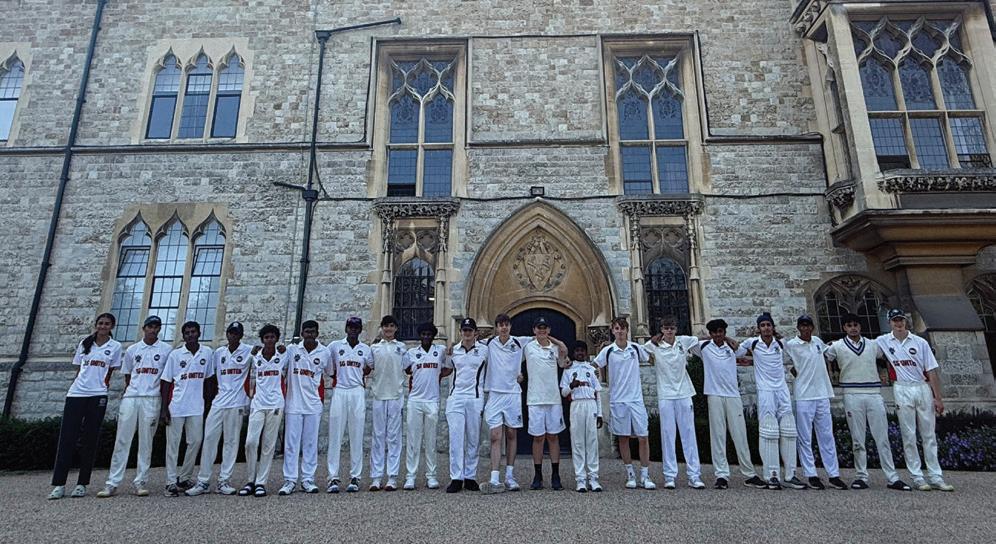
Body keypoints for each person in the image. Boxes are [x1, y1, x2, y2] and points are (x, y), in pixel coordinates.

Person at [824, 313, 910, 491]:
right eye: (849, 325)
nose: (853, 328)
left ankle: (892, 477)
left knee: (882, 437)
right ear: (844, 328)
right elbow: (821, 356)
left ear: (860, 326)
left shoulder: (873, 345)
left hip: (874, 393)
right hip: (851, 393)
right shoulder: (837, 346)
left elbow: (891, 352)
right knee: (857, 439)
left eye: (856, 325)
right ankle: (861, 476)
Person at [875, 309, 954, 492]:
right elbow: (863, 347)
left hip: (921, 386)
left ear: (905, 321)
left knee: (929, 434)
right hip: (902, 387)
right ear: (890, 322)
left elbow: (931, 370)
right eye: (895, 320)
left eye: (901, 320)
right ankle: (917, 477)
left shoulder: (920, 342)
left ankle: (936, 476)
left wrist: (937, 398)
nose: (898, 323)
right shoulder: (883, 341)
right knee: (908, 434)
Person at [49, 313, 122, 500]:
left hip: (97, 395)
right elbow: (78, 368)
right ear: (96, 325)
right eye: (100, 323)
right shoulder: (85, 343)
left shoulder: (115, 346)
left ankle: (82, 484)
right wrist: (77, 387)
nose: (103, 326)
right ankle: (59, 484)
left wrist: (102, 387)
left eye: (107, 324)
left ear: (112, 326)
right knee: (67, 438)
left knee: (90, 439)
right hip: (76, 394)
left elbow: (110, 371)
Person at [98, 315, 171, 498]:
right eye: (150, 326)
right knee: (122, 440)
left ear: (159, 329)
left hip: (151, 398)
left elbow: (166, 379)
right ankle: (112, 483)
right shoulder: (132, 349)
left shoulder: (166, 350)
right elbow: (128, 375)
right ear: (143, 328)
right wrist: (132, 390)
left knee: (146, 442)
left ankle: (140, 482)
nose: (152, 330)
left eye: (156, 327)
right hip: (132, 397)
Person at [687, 319, 765, 490]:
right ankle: (721, 475)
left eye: (720, 332)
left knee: (740, 434)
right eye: (714, 332)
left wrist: (729, 340)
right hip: (714, 395)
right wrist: (708, 338)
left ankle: (749, 474)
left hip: (733, 395)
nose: (718, 335)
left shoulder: (732, 347)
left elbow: (744, 350)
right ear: (710, 333)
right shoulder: (704, 347)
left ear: (724, 332)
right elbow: (688, 342)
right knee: (718, 435)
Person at [740, 313, 806, 490]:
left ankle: (791, 475)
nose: (766, 328)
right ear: (758, 328)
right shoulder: (752, 343)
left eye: (768, 325)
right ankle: (772, 475)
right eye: (763, 325)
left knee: (789, 430)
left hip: (782, 390)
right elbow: (736, 351)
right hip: (765, 391)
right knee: (769, 431)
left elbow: (799, 354)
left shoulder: (781, 343)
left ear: (773, 327)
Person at [186, 321, 252, 496]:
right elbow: (211, 376)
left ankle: (224, 480)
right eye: (230, 333)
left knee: (231, 442)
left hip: (237, 402)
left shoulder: (249, 351)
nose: (233, 336)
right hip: (219, 402)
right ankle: (203, 481)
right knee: (209, 439)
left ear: (241, 336)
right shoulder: (218, 353)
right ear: (227, 334)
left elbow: (267, 354)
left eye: (236, 333)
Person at [784, 315, 847, 490]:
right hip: (803, 396)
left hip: (822, 394)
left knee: (827, 436)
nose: (805, 329)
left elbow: (830, 352)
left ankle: (833, 474)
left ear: (812, 327)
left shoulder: (818, 342)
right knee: (805, 437)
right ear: (798, 328)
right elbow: (782, 360)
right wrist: (795, 373)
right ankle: (811, 474)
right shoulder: (791, 345)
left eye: (808, 325)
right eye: (802, 326)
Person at [593, 317, 655, 490]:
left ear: (627, 330)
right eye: (617, 328)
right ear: (613, 331)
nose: (620, 331)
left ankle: (645, 475)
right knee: (623, 437)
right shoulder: (608, 351)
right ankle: (630, 475)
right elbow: (594, 365)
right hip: (618, 400)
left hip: (636, 399)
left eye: (622, 328)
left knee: (643, 437)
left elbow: (651, 358)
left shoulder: (635, 348)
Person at [643, 316, 704, 490]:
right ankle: (670, 476)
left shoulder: (683, 341)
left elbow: (701, 338)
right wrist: (653, 340)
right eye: (666, 328)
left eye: (672, 328)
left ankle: (694, 475)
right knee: (668, 435)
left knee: (689, 434)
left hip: (684, 393)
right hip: (666, 395)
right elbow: (643, 349)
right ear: (661, 329)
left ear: (676, 329)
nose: (669, 331)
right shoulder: (654, 345)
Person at [160, 321, 213, 497]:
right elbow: (166, 382)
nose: (190, 335)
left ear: (199, 333)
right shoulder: (175, 355)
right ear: (183, 336)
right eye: (187, 333)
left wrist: (208, 403)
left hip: (196, 407)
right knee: (173, 445)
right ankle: (170, 482)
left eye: (193, 332)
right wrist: (164, 409)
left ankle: (184, 478)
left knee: (196, 441)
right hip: (176, 406)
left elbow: (209, 379)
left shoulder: (207, 352)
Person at [481, 313, 532, 493]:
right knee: (495, 435)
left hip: (512, 394)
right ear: (496, 327)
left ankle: (510, 476)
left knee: (511, 433)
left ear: (510, 326)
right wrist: (450, 348)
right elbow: (469, 344)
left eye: (506, 325)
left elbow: (542, 339)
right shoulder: (488, 343)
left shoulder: (520, 342)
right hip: (495, 394)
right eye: (500, 325)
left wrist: (561, 346)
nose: (504, 328)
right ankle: (494, 477)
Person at [280, 320, 330, 495]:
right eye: (307, 332)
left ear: (317, 333)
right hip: (293, 404)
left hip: (313, 404)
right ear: (302, 334)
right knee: (291, 444)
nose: (309, 335)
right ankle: (290, 480)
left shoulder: (324, 352)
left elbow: (330, 372)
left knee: (310, 443)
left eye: (312, 332)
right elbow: (279, 366)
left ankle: (308, 479)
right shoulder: (292, 350)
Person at [326, 316, 374, 493]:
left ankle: (355, 476)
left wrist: (358, 376)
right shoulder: (335, 346)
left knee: (356, 434)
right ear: (346, 329)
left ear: (360, 330)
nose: (353, 330)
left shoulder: (365, 349)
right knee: (335, 435)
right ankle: (333, 477)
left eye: (356, 328)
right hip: (340, 390)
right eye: (350, 327)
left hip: (357, 391)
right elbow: (330, 369)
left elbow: (369, 367)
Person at [522, 316, 570, 491]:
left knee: (553, 437)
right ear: (534, 330)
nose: (541, 330)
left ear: (548, 330)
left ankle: (555, 475)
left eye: (544, 328)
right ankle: (538, 475)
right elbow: (512, 359)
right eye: (539, 328)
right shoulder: (528, 347)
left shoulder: (555, 348)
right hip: (535, 399)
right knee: (538, 438)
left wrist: (556, 341)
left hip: (553, 399)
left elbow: (564, 359)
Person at [241, 324, 287, 497]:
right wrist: (251, 353)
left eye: (272, 337)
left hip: (275, 404)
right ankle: (250, 480)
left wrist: (284, 348)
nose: (269, 340)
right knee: (251, 442)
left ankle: (261, 482)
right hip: (258, 403)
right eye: (266, 337)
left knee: (268, 445)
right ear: (262, 339)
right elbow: (241, 366)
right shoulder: (256, 356)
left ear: (276, 339)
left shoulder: (283, 354)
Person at [403, 322, 449, 490]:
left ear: (433, 336)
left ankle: (431, 476)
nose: (426, 337)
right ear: (420, 336)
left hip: (432, 400)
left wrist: (437, 376)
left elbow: (448, 368)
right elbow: (407, 370)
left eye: (429, 334)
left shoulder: (440, 351)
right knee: (413, 440)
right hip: (415, 400)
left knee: (430, 441)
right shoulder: (412, 353)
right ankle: (411, 476)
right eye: (423, 334)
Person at [443, 318, 488, 493]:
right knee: (456, 438)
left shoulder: (484, 350)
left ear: (475, 332)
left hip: (475, 397)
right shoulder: (453, 351)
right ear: (460, 332)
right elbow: (447, 368)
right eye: (464, 330)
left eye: (470, 330)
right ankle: (456, 477)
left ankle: (470, 476)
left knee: (473, 438)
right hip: (456, 397)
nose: (467, 333)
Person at [368, 315, 407, 492]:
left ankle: (392, 477)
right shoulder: (374, 348)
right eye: (386, 326)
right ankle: (376, 477)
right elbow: (369, 366)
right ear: (382, 328)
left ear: (396, 328)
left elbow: (407, 367)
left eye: (391, 326)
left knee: (394, 437)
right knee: (378, 436)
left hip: (395, 396)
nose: (388, 329)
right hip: (379, 395)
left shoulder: (402, 348)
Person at [559, 341, 603, 492]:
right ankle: (580, 479)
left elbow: (597, 392)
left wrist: (600, 413)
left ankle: (594, 478)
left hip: (590, 405)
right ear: (573, 353)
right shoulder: (568, 370)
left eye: (582, 350)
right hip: (576, 405)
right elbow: (563, 392)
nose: (580, 353)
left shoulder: (592, 369)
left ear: (586, 352)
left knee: (592, 441)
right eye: (577, 350)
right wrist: (571, 386)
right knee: (578, 442)